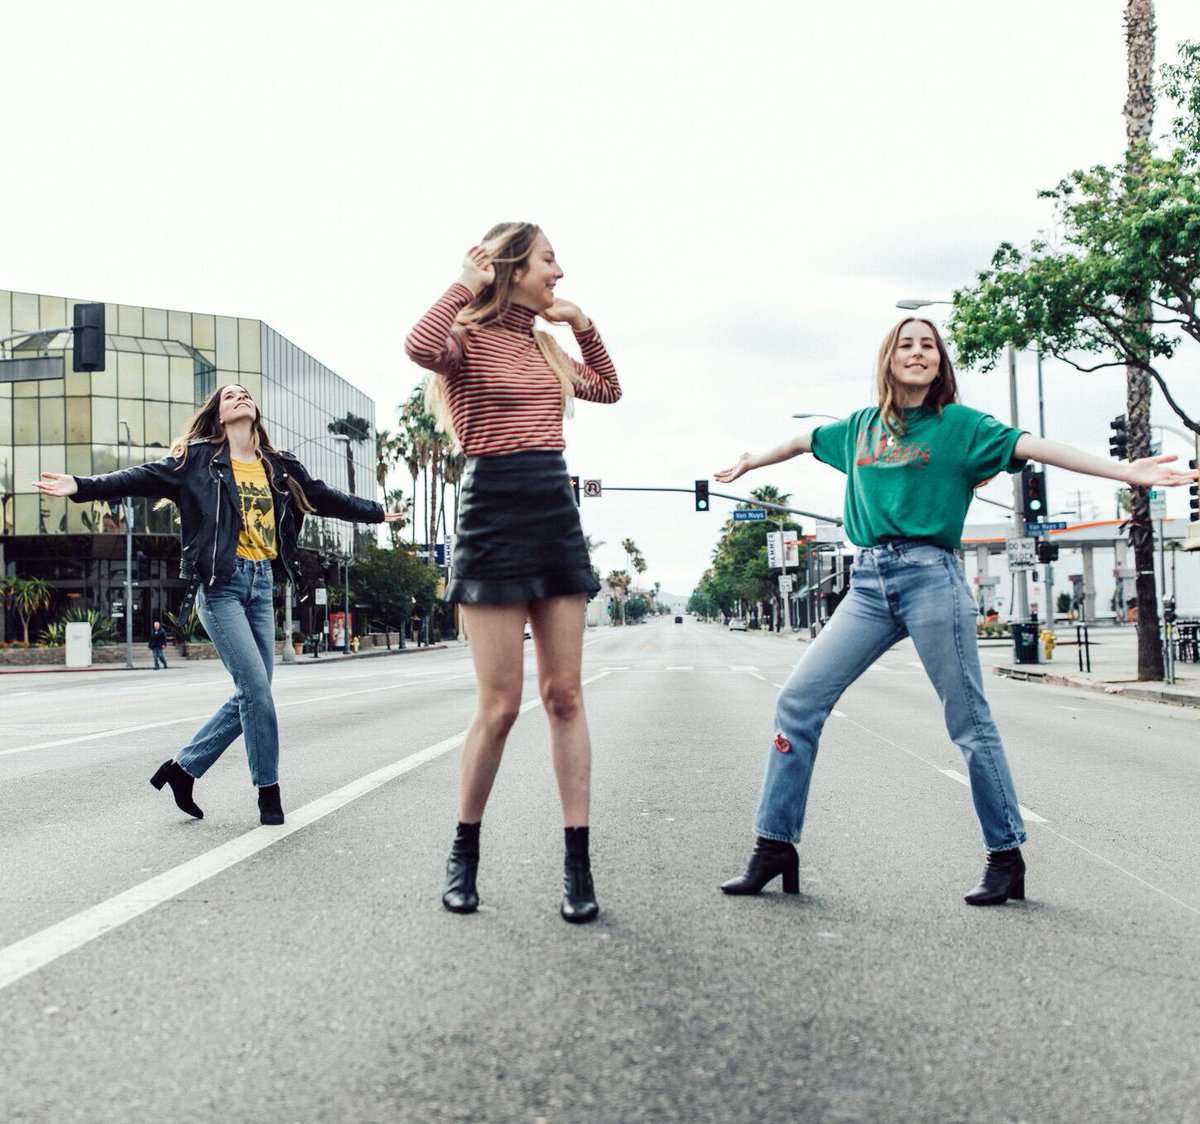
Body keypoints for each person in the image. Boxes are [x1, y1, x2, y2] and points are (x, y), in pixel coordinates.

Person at [715, 317, 1198, 906]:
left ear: (940, 363)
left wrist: (1125, 470)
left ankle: (1005, 856)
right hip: (866, 585)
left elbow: (1036, 446)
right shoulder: (858, 428)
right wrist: (752, 460)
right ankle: (774, 845)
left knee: (967, 723)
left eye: (929, 346)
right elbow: (799, 441)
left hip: (931, 580)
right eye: (906, 344)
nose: (918, 352)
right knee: (796, 703)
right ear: (888, 359)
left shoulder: (963, 427)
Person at [34, 384, 402, 825]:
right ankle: (268, 793)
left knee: (254, 692)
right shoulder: (196, 461)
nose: (240, 398)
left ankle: (182, 769)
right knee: (257, 692)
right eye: (230, 397)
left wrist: (374, 512)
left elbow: (323, 497)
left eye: (245, 394)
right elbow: (139, 477)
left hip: (262, 586)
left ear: (255, 410)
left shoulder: (279, 466)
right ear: (219, 414)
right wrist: (81, 485)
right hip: (220, 587)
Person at [405, 222, 621, 923]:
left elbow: (609, 389)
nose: (559, 271)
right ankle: (463, 853)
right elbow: (417, 347)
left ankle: (578, 866)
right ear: (513, 269)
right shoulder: (463, 339)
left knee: (564, 696)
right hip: (491, 516)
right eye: (548, 260)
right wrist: (462, 285)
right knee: (499, 707)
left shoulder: (545, 345)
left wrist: (582, 325)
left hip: (553, 511)